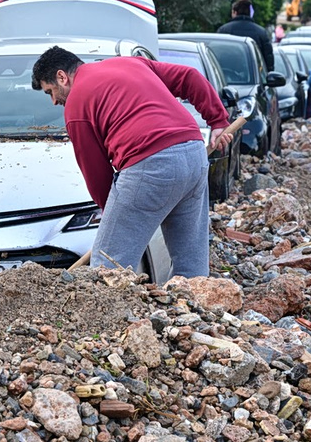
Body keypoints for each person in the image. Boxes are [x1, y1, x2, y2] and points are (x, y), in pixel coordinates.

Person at [31, 46, 231, 279]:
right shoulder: (130, 63)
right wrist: (217, 120)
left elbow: (96, 171)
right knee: (191, 265)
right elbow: (189, 77)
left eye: (50, 92)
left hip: (150, 165)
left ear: (61, 77)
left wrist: (114, 216)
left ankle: (107, 315)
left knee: (107, 266)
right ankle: (195, 308)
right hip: (193, 153)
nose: (54, 101)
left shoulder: (76, 104)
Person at [218, 0, 274, 72]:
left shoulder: (224, 30)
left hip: (226, 77)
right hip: (254, 76)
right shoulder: (261, 33)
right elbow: (268, 60)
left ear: (235, 12)